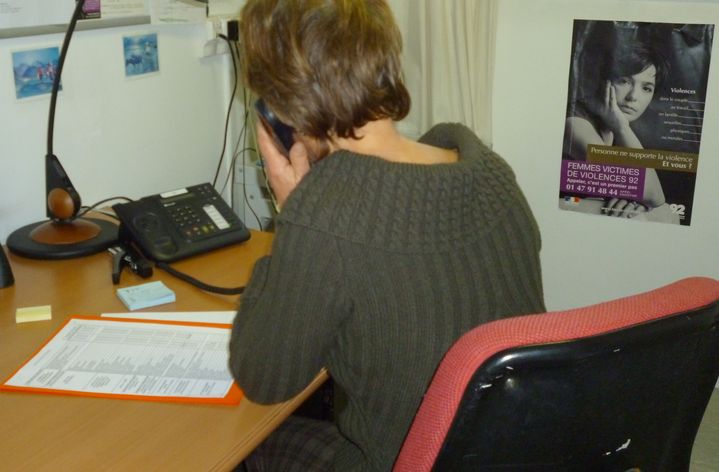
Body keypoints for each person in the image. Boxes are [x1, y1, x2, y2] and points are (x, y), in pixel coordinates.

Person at [229, 1, 545, 470]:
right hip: (516, 451)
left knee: (253, 446)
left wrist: (293, 213)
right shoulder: (490, 172)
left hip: (401, 462)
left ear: (281, 104)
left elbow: (263, 378)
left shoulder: (323, 215)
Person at [562, 39, 679, 223]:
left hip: (587, 206)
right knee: (641, 215)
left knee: (666, 213)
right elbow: (654, 194)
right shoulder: (575, 123)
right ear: (603, 81)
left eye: (646, 88)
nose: (633, 97)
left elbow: (655, 198)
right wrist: (622, 127)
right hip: (563, 202)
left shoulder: (615, 129)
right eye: (624, 81)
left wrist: (634, 201)